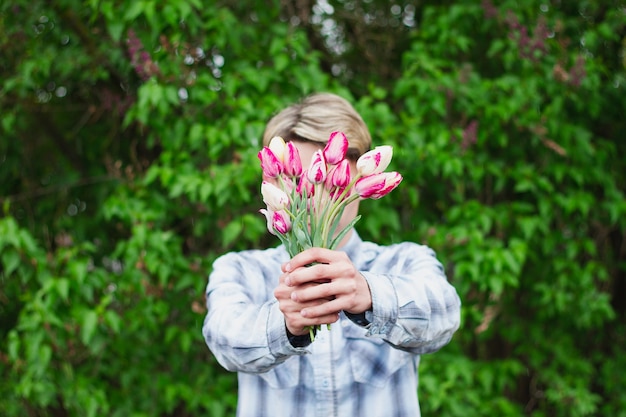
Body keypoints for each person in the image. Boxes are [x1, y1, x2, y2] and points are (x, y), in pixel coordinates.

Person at [202, 92, 461, 417]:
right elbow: (224, 339)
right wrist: (285, 324)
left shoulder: (403, 262)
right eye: (297, 176)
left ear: (361, 173)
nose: (311, 190)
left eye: (323, 173)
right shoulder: (242, 270)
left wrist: (368, 294)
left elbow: (445, 315)